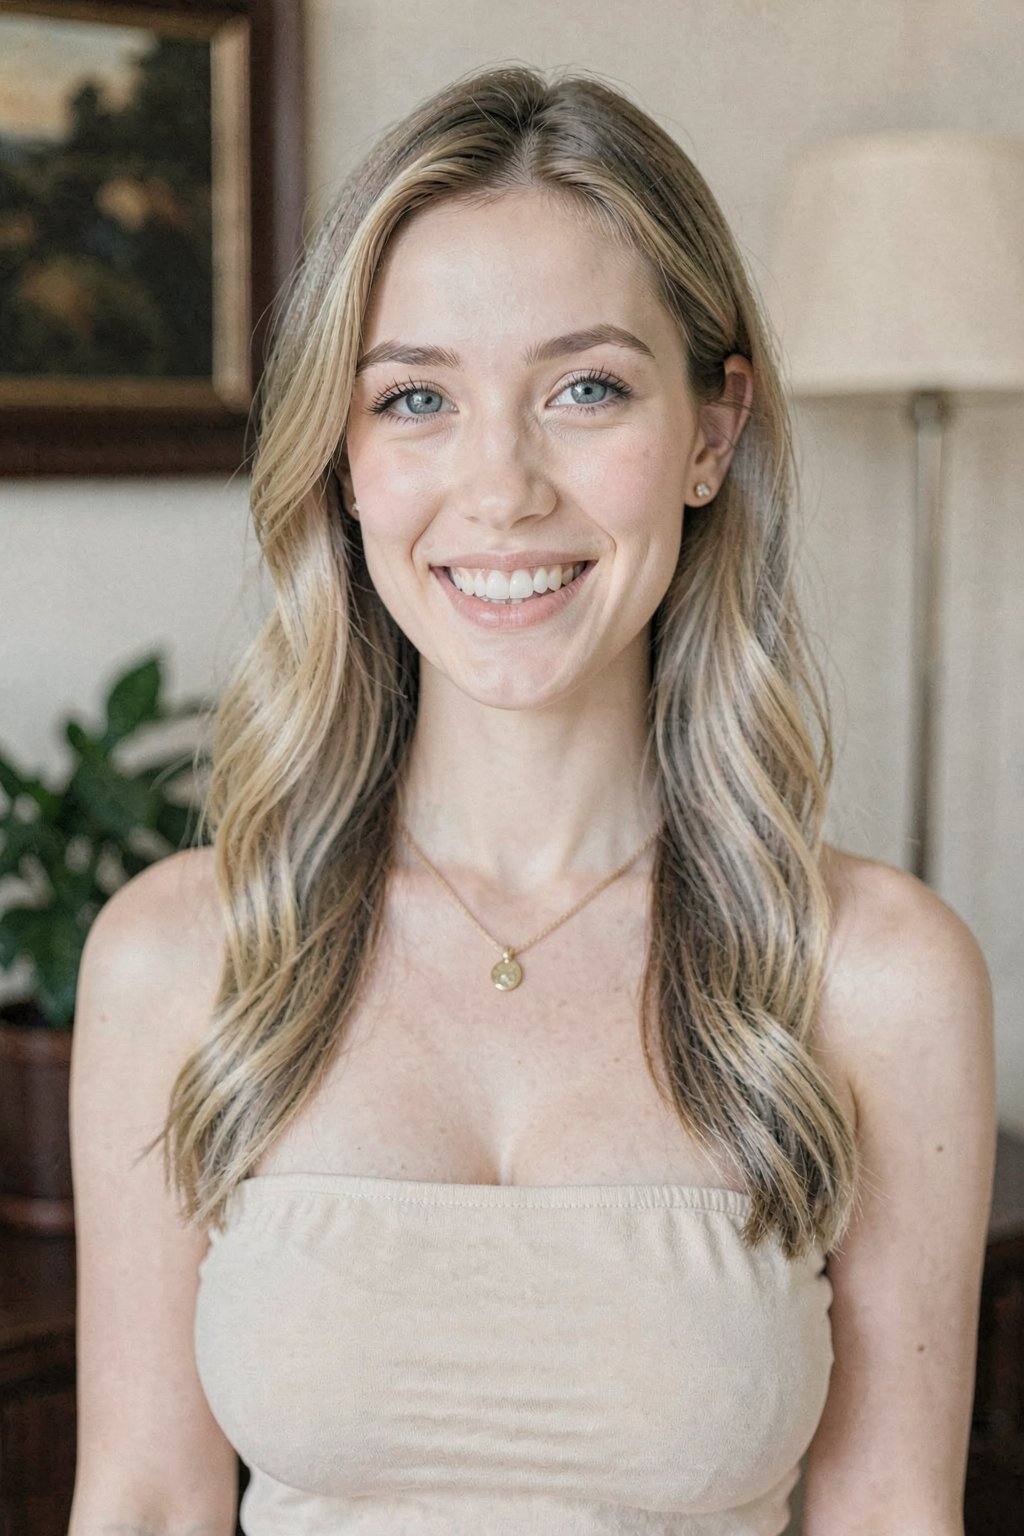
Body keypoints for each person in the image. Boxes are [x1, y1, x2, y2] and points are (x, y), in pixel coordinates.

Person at [67, 64, 996, 1536]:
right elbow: (144, 1502)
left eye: (585, 389)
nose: (499, 490)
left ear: (710, 431)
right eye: (417, 397)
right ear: (346, 461)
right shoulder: (185, 959)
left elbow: (890, 1512)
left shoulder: (880, 978)